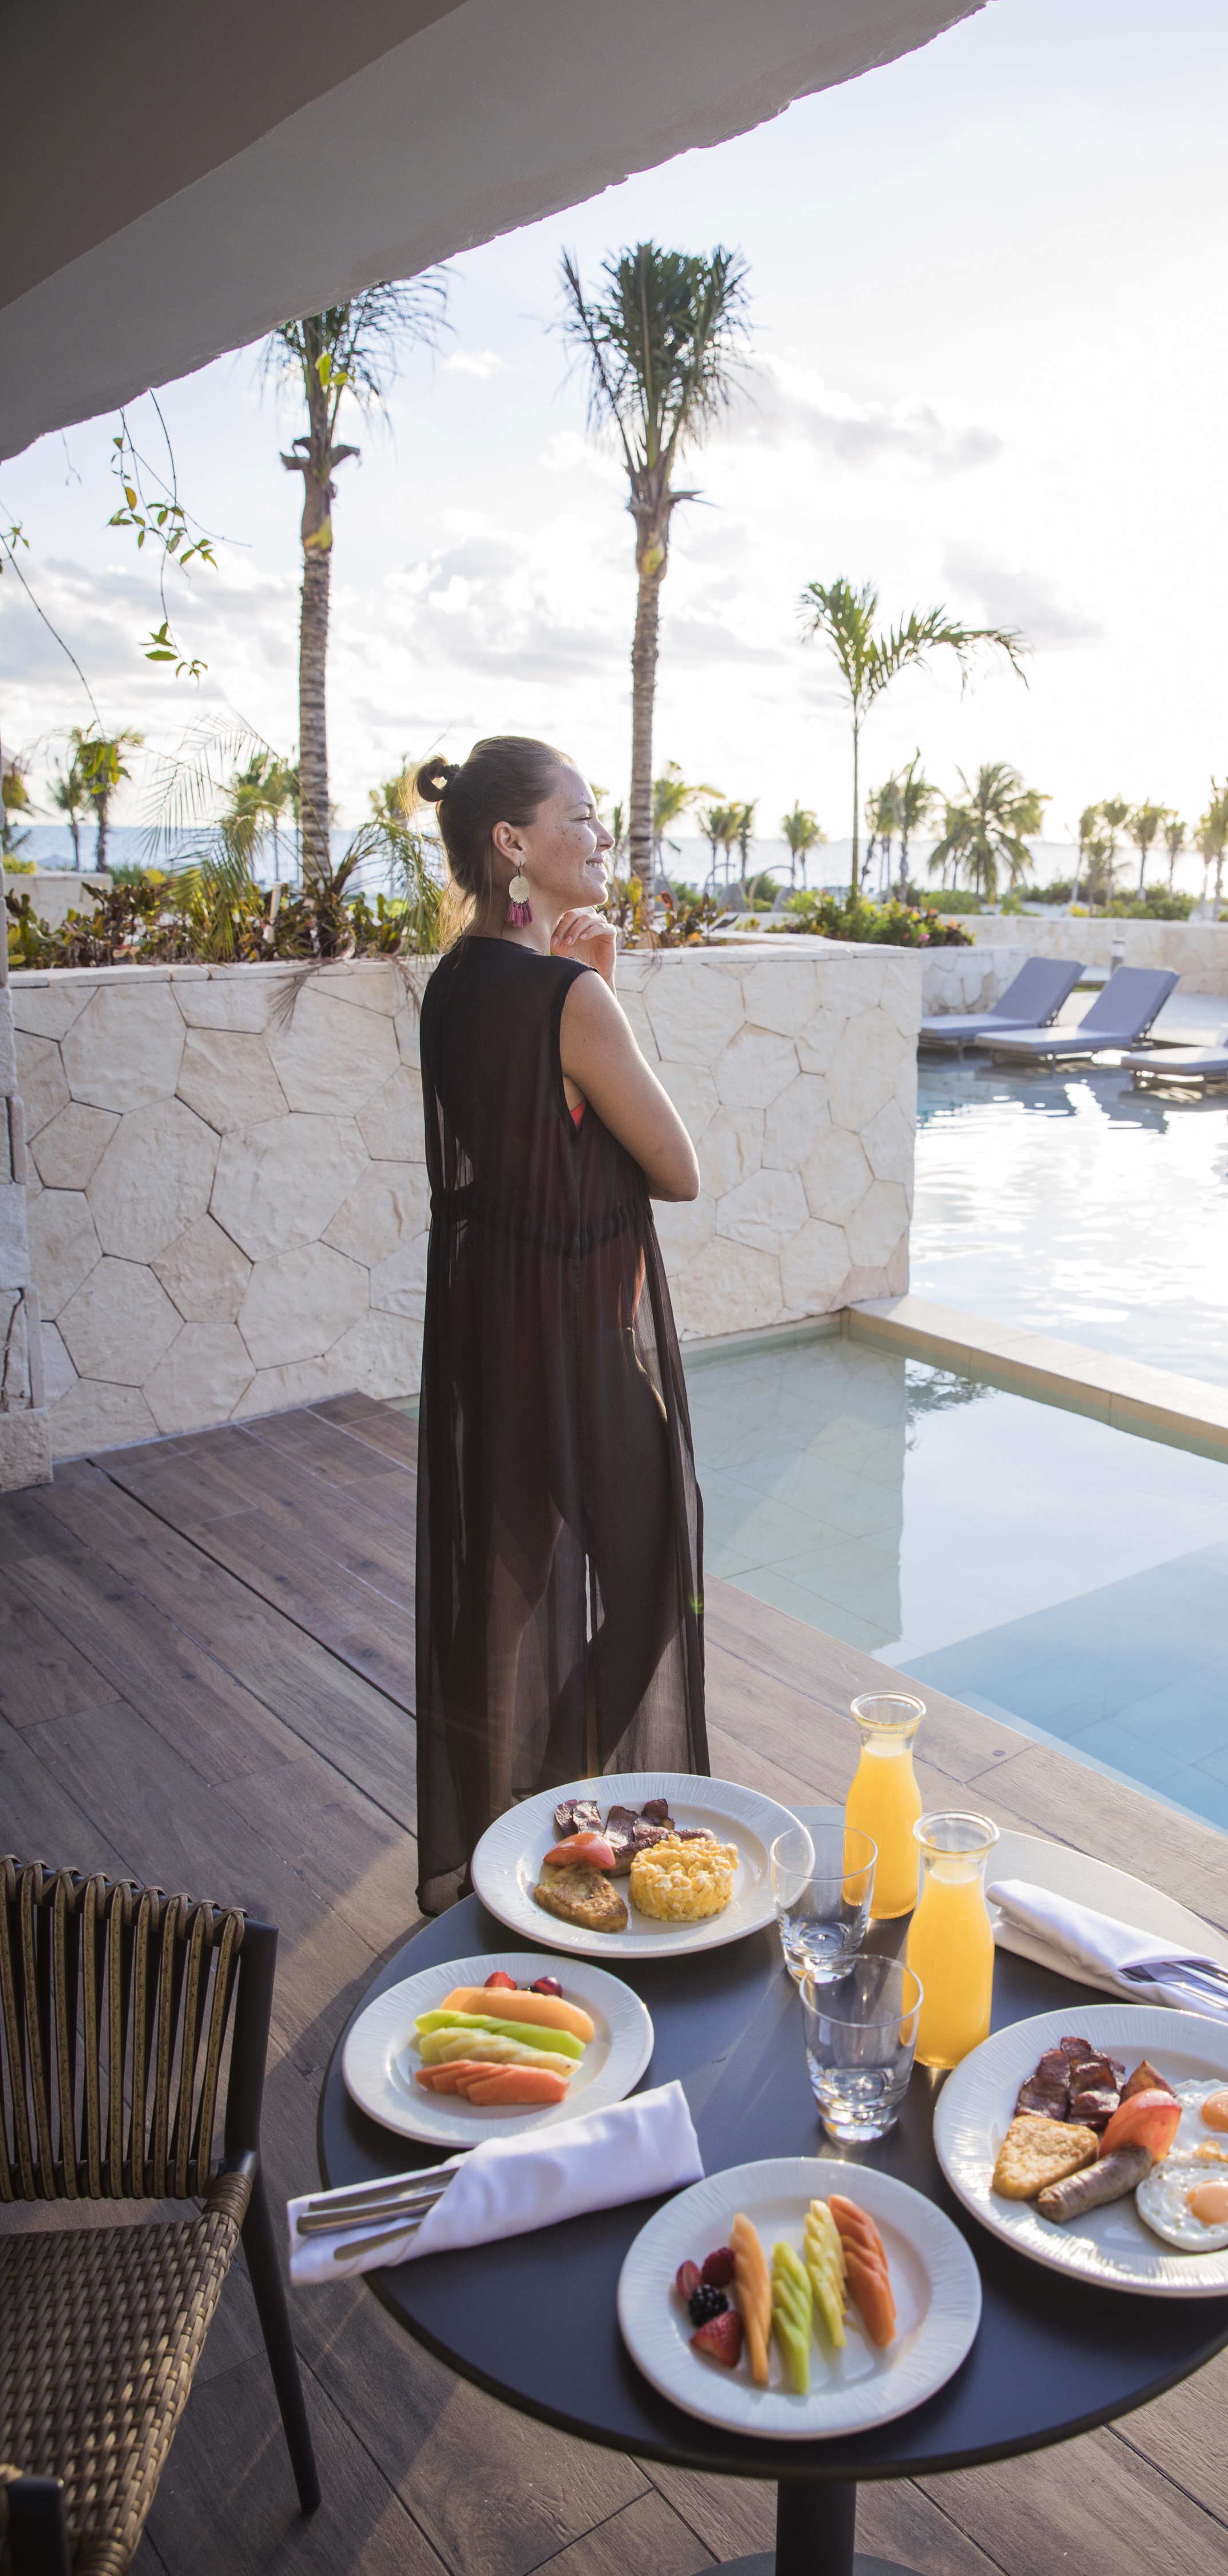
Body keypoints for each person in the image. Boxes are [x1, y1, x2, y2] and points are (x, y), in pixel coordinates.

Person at [411, 736, 706, 1914]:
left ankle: (488, 1842)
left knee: (508, 1592)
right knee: (652, 1580)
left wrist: (594, 1004)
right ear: (511, 843)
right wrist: (600, 1001)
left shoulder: (454, 984)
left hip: (493, 1333)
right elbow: (675, 1168)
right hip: (576, 1343)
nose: (599, 836)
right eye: (577, 817)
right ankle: (542, 1814)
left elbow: (535, 1140)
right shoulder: (564, 997)